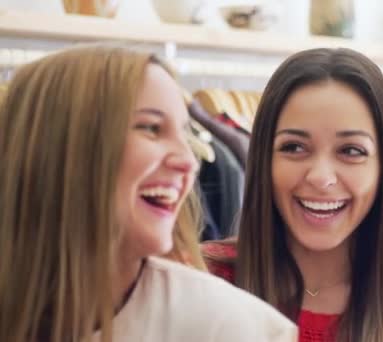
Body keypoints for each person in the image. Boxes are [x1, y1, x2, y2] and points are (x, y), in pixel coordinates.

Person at [0, 44, 297, 342]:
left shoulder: (239, 330)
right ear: (61, 150)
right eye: (152, 128)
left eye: (186, 134)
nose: (189, 161)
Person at [203, 47, 383, 341]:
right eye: (294, 147)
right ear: (264, 160)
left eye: (351, 151)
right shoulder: (198, 286)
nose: (321, 177)